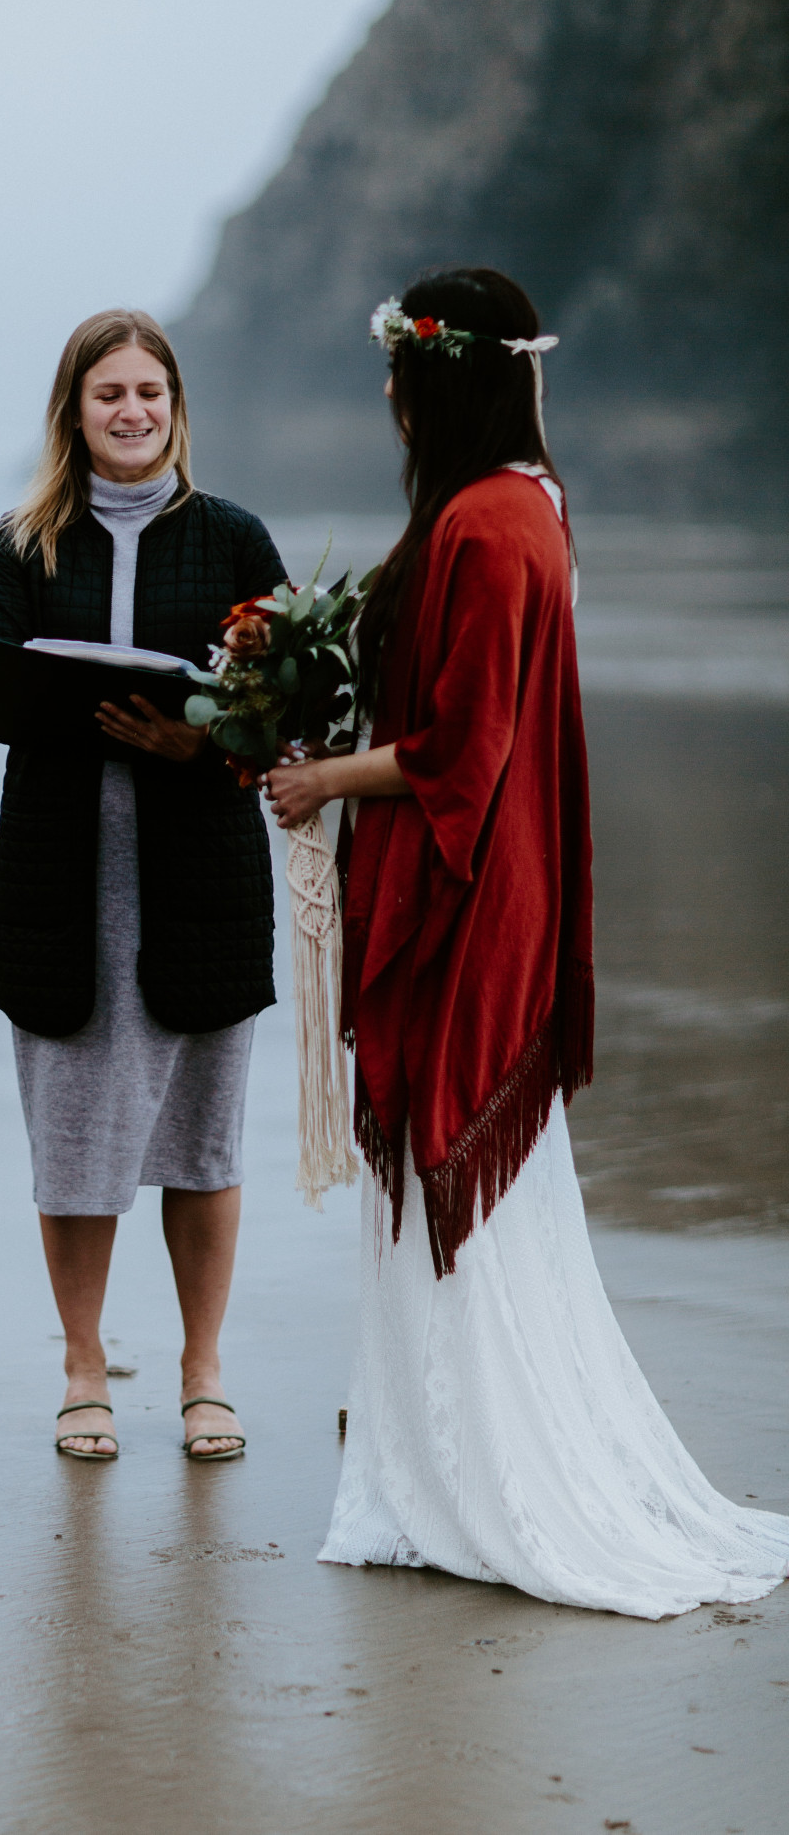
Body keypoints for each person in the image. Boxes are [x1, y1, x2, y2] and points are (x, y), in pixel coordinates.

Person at [267, 266, 789, 1617]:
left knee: (458, 1188)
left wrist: (327, 781)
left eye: (397, 374)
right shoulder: (519, 509)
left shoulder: (490, 530)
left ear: (434, 380)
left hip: (473, 900)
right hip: (503, 888)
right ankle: (434, 1465)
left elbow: (463, 754)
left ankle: (473, 1482)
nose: (385, 396)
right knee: (487, 1214)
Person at [0, 309, 286, 1461]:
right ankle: (84, 1367)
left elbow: (285, 709)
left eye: (150, 392)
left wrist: (197, 740)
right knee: (77, 1130)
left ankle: (203, 1373)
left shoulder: (234, 540)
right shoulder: (19, 544)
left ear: (174, 406)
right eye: (109, 394)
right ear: (74, 412)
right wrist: (88, 707)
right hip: (65, 868)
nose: (132, 412)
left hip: (198, 866)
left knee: (203, 1137)